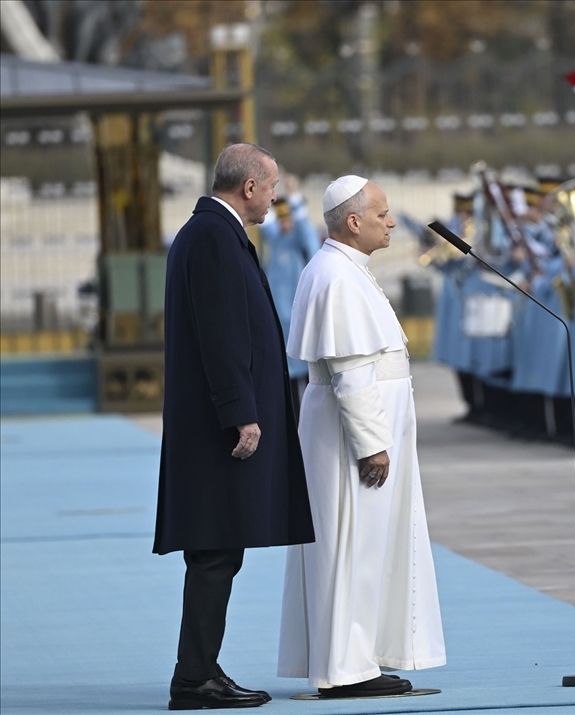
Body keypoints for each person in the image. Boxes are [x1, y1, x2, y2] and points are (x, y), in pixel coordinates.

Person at [154, 142, 315, 710]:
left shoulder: (208, 233)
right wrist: (240, 413)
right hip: (219, 430)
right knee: (216, 551)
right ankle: (194, 678)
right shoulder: (215, 238)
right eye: (270, 186)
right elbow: (222, 335)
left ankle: (200, 668)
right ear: (249, 187)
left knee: (217, 550)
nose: (274, 196)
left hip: (211, 426)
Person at [278, 176, 446, 698]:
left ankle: (358, 660)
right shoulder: (337, 276)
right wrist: (373, 443)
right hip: (352, 438)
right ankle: (347, 668)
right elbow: (351, 371)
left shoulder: (344, 269)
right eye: (383, 213)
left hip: (357, 430)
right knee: (352, 548)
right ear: (354, 222)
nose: (392, 222)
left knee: (363, 547)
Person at [260, 176, 322, 411]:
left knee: (308, 378)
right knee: (286, 381)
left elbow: (308, 235)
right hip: (278, 317)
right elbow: (266, 226)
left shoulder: (299, 241)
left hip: (298, 317)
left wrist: (294, 196)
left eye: (288, 217)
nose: (284, 222)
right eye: (281, 217)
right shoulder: (277, 241)